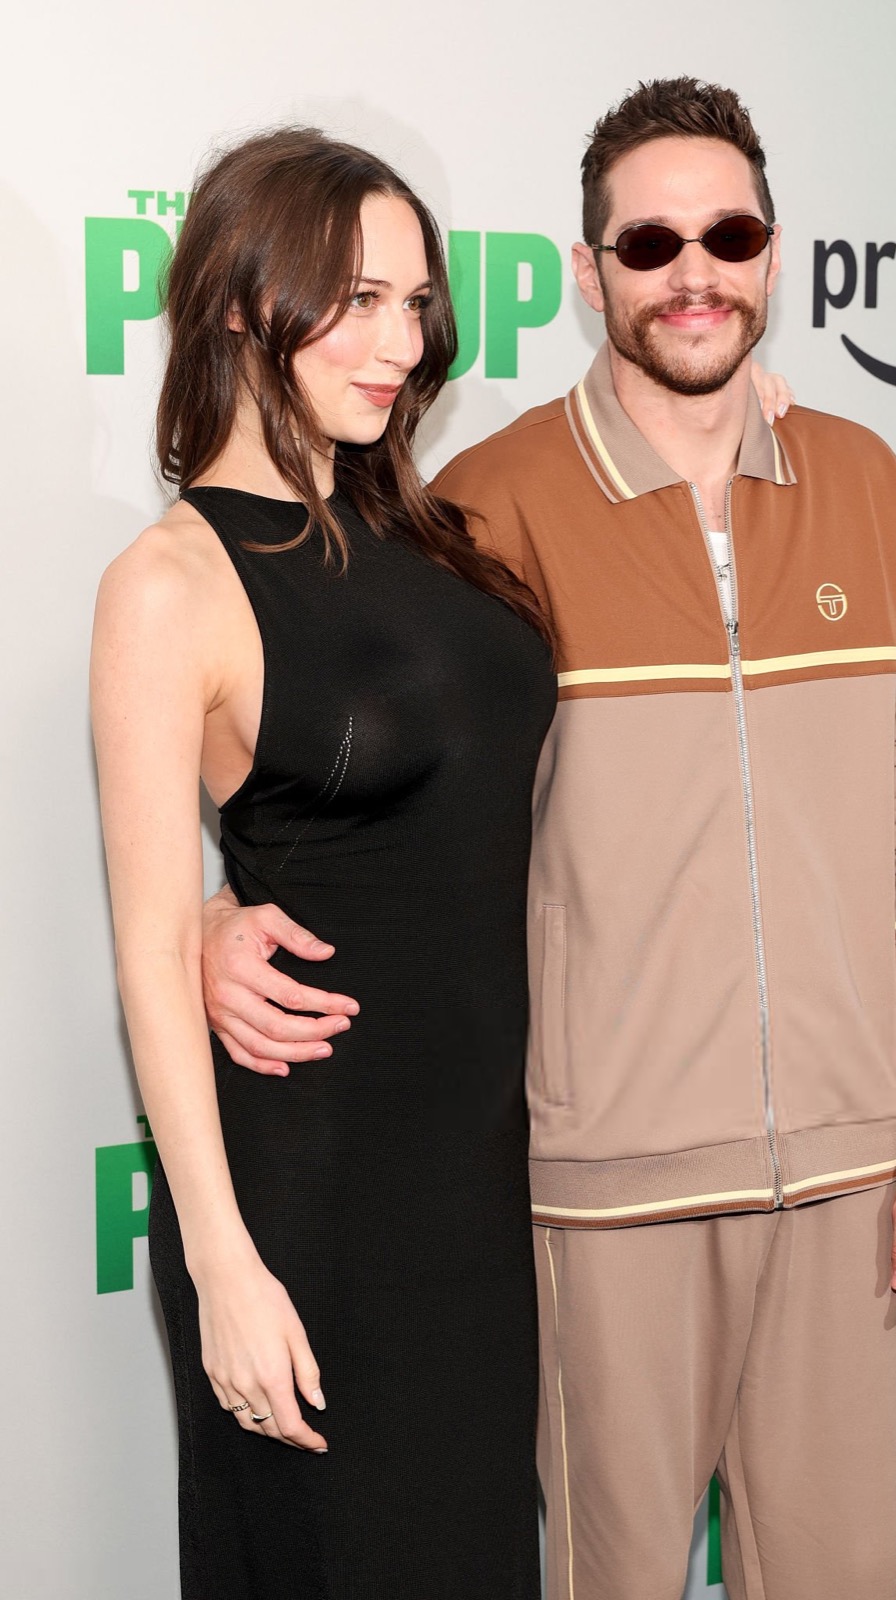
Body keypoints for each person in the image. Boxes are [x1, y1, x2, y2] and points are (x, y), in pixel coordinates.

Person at [198, 81, 896, 1600]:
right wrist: (212, 911)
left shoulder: (869, 484)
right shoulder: (479, 512)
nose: (694, 273)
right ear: (587, 270)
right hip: (599, 1196)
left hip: (849, 1187)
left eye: (729, 236)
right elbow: (344, 766)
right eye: (649, 243)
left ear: (773, 254)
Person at [90, 127, 561, 1599]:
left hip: (473, 1187)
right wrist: (223, 1267)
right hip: (308, 1192)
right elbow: (152, 946)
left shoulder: (423, 529)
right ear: (243, 301)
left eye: (414, 303)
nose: (400, 342)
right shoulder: (169, 583)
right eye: (356, 300)